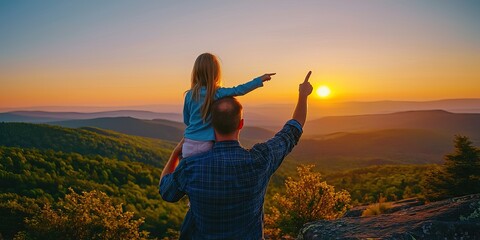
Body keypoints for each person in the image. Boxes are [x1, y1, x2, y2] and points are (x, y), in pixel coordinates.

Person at [160, 71, 313, 239]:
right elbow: (292, 130)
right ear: (241, 124)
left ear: (210, 123)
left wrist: (175, 154)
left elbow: (166, 192)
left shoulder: (191, 167)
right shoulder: (260, 159)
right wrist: (303, 95)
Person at [182, 52, 275, 158]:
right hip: (208, 143)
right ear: (216, 73)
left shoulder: (190, 95)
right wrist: (259, 80)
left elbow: (187, 120)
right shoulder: (217, 93)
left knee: (185, 172)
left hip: (188, 143)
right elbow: (239, 90)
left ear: (196, 72)